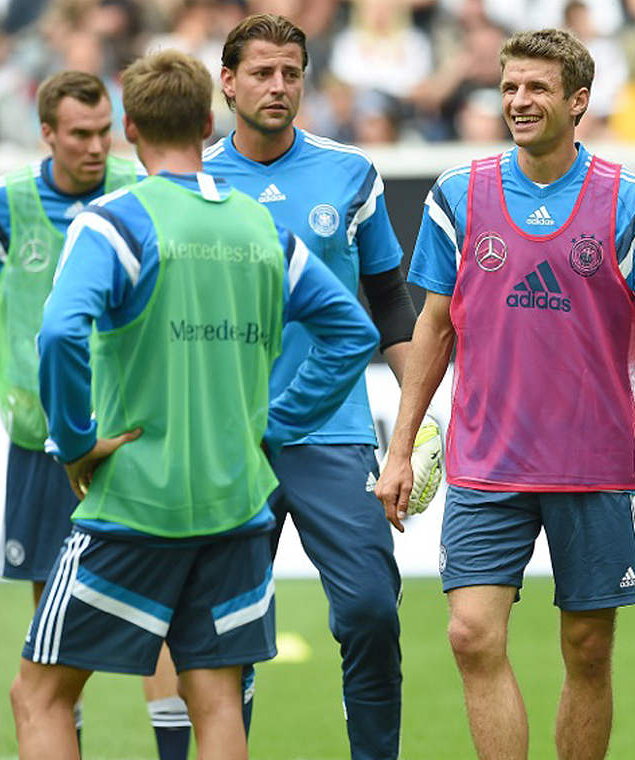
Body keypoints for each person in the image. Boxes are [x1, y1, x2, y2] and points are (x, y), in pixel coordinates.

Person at [7, 48, 379, 760]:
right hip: (237, 505)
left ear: (130, 130)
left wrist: (75, 440)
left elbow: (58, 332)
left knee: (41, 694)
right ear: (208, 120)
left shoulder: (115, 222)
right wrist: (278, 424)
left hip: (135, 505)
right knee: (215, 702)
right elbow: (352, 331)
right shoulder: (260, 228)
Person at [375, 28, 635, 760]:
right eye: (508, 88)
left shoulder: (631, 202)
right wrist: (399, 448)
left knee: (588, 650)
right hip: (483, 461)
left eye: (536, 88)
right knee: (471, 635)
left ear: (578, 100)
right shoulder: (458, 196)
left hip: (592, 463)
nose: (519, 101)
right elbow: (432, 330)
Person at [201, 13, 417, 760]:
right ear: (227, 82)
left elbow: (388, 300)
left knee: (370, 612)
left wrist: (422, 416)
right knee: (225, 630)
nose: (278, 86)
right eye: (261, 72)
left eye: (291, 73)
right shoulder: (193, 181)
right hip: (229, 442)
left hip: (334, 431)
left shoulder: (349, 172)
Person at [0, 69, 140, 745]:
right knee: (51, 626)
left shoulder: (139, 190)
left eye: (105, 131)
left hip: (131, 434)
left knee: (165, 622)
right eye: (80, 134)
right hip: (44, 442)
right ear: (46, 134)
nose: (97, 146)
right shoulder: (4, 202)